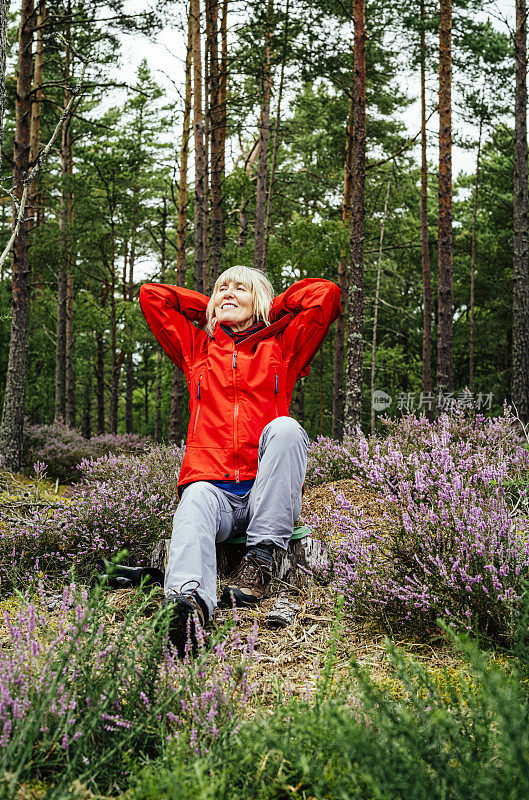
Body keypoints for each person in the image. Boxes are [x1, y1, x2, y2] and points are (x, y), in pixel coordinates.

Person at [139, 266, 341, 655]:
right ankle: (188, 608)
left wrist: (269, 310)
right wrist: (213, 307)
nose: (228, 293)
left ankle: (262, 557)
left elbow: (326, 294)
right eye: (221, 288)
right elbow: (152, 296)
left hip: (266, 494)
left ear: (260, 301)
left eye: (240, 289)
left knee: (286, 430)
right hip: (214, 492)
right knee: (195, 497)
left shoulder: (282, 347)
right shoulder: (197, 349)